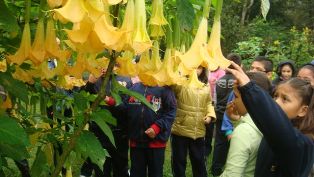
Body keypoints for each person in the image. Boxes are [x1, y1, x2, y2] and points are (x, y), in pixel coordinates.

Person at [227, 61, 314, 177]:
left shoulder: (303, 142)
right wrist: (237, 120)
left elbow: (276, 126)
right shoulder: (276, 129)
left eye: (285, 99)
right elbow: (264, 124)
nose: (276, 102)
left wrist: (249, 87)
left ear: (303, 110)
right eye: (276, 96)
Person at [220, 72, 272, 177]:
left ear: (250, 97)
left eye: (236, 96)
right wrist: (236, 121)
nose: (233, 101)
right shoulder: (271, 121)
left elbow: (232, 174)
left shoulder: (243, 132)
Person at [80, 73, 132, 177]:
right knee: (101, 169)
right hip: (99, 133)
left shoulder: (125, 80)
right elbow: (81, 101)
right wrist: (89, 83)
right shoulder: (95, 79)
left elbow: (127, 108)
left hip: (119, 134)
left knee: (121, 168)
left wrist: (111, 101)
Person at [123, 81, 177, 177]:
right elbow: (124, 106)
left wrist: (157, 127)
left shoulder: (164, 89)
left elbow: (171, 112)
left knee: (155, 173)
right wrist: (111, 101)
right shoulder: (134, 88)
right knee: (136, 173)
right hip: (136, 143)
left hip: (156, 143)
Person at [171, 66, 216, 177]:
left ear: (203, 70)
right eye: (193, 66)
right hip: (180, 129)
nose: (196, 70)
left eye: (199, 67)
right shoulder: (181, 82)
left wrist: (210, 115)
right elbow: (172, 86)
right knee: (179, 161)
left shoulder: (206, 85)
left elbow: (208, 102)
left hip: (198, 130)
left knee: (199, 160)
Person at [210, 53, 242, 176]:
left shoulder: (220, 80)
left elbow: (215, 98)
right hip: (233, 116)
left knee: (219, 142)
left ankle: (216, 168)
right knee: (235, 143)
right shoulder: (239, 81)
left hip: (219, 113)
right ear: (239, 65)